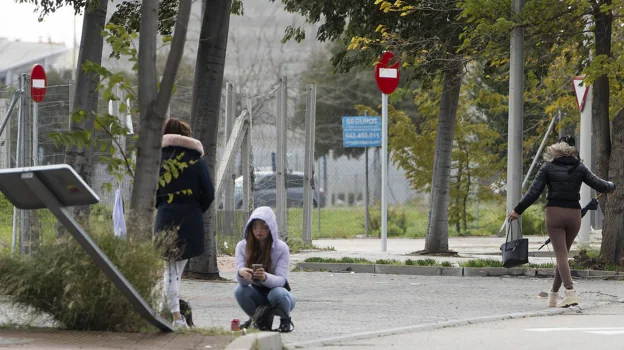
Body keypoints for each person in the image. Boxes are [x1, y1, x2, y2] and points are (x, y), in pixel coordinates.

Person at [508, 136, 615, 308]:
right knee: (563, 255)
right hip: (574, 215)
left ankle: (570, 292)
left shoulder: (547, 168)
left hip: (555, 214)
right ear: (571, 153)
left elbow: (533, 193)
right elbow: (600, 185)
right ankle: (553, 296)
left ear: (554, 153)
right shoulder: (580, 168)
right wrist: (612, 186)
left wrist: (517, 210)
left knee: (561, 255)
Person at [155, 118, 214, 328]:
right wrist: (196, 209)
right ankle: (176, 318)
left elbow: (152, 192)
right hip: (190, 219)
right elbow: (209, 192)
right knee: (174, 272)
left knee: (170, 270)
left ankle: (164, 315)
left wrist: (162, 206)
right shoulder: (195, 160)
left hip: (165, 218)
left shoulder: (157, 158)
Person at [234, 206, 295, 332]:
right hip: (258, 293)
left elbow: (281, 280)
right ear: (250, 228)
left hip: (282, 296)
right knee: (240, 291)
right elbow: (243, 281)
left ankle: (285, 321)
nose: (259, 230)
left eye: (264, 227)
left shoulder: (281, 248)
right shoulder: (241, 246)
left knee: (276, 293)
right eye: (255, 226)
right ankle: (258, 320)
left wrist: (265, 277)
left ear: (271, 228)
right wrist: (241, 273)